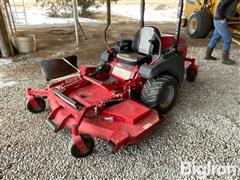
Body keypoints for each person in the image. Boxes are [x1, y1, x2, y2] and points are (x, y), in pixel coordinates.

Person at [205, 0, 239, 65]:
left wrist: (236, 15)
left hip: (218, 19)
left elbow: (230, 9)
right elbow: (220, 6)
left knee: (215, 38)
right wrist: (222, 18)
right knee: (228, 39)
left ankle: (208, 55)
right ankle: (225, 59)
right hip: (219, 20)